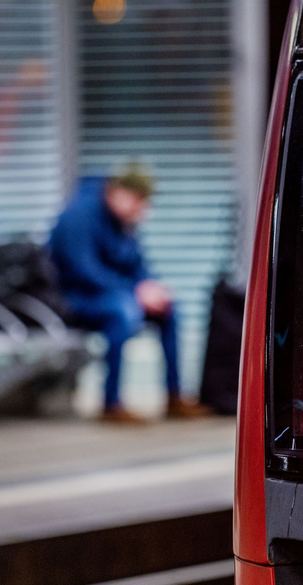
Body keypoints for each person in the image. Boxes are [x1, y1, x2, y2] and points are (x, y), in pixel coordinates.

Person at [49, 164, 209, 423]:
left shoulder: (123, 221)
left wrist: (150, 288)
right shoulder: (79, 215)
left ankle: (174, 396)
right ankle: (111, 404)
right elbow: (83, 272)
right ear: (117, 192)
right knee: (122, 313)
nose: (141, 211)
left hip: (114, 295)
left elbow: (136, 265)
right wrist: (135, 292)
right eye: (138, 202)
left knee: (168, 309)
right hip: (73, 299)